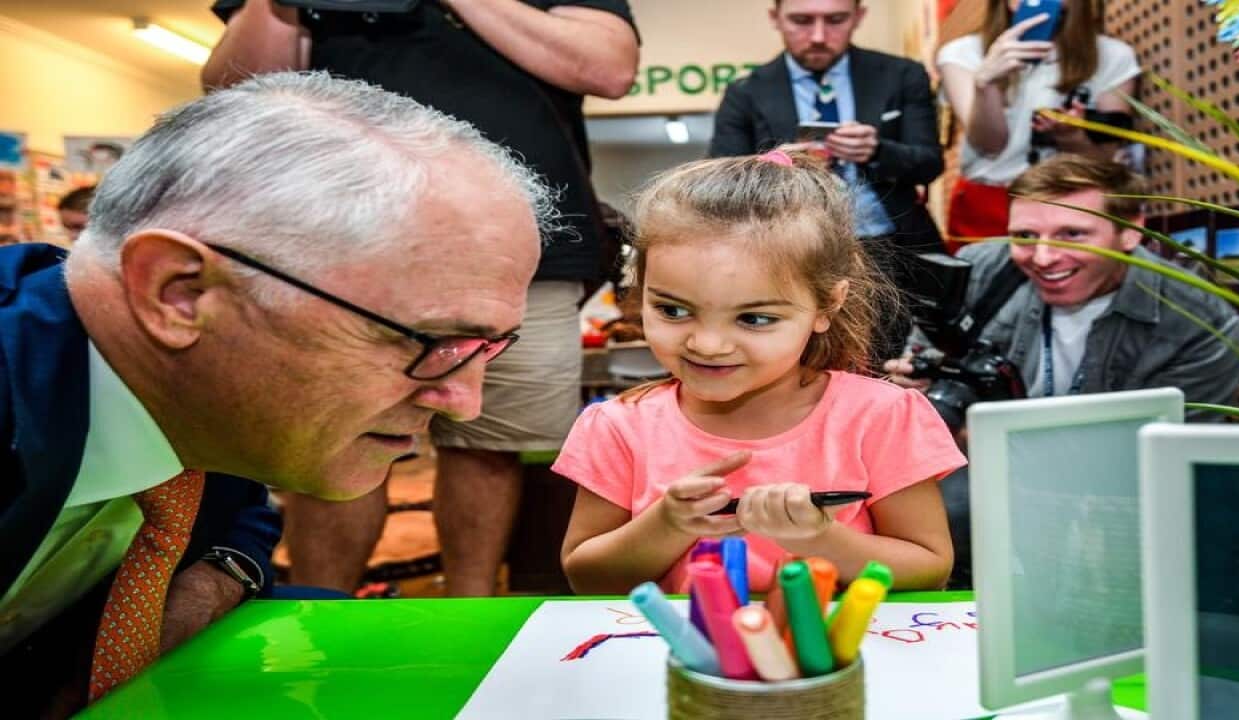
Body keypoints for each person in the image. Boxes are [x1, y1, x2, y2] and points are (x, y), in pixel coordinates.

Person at [0, 72, 547, 715]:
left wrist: (202, 587)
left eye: (487, 347)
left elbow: (243, 517)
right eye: (428, 341)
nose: (464, 400)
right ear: (179, 292)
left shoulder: (215, 402)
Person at [203, 0, 640, 597]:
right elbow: (237, 86)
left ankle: (469, 608)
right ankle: (320, 611)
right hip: (338, 243)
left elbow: (609, 69)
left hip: (521, 249)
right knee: (330, 437)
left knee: (491, 445)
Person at [557, 151, 964, 595]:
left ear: (827, 304)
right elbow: (586, 578)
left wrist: (820, 539)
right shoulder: (618, 427)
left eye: (754, 319)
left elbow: (930, 567)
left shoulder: (884, 417)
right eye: (673, 310)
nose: (707, 345)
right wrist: (666, 525)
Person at [886, 154, 1239, 587]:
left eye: (1072, 235)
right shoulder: (980, 270)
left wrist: (995, 436)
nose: (1043, 257)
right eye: (1024, 235)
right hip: (982, 477)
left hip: (1120, 501)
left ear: (1131, 230)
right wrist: (912, 388)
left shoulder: (1196, 319)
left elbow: (1170, 461)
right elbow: (922, 375)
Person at [709, 0, 944, 363]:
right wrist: (774, 166)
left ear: (859, 17)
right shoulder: (746, 92)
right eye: (802, 21)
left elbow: (929, 163)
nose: (818, 36)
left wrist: (878, 150)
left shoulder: (901, 75)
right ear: (775, 19)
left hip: (893, 250)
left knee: (890, 367)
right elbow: (720, 183)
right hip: (790, 253)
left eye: (835, 21)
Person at [936, 0, 1140, 241]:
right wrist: (986, 84)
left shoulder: (1113, 56)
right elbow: (989, 144)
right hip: (989, 204)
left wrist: (1072, 137)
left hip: (1075, 200)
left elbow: (1106, 157)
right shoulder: (962, 53)